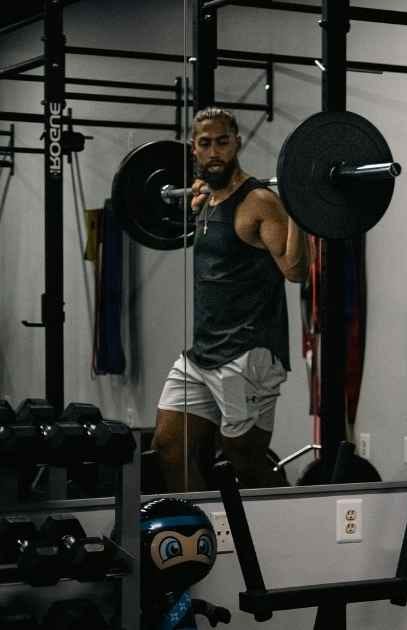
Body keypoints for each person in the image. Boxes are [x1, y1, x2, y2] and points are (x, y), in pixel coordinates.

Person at [151, 107, 308, 492]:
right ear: (194, 149)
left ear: (236, 143)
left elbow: (295, 271)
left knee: (245, 457)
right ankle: (205, 535)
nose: (214, 151)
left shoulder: (259, 202)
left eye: (223, 141)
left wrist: (304, 211)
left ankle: (290, 522)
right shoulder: (207, 198)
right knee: (169, 447)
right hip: (203, 352)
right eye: (205, 143)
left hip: (247, 351)